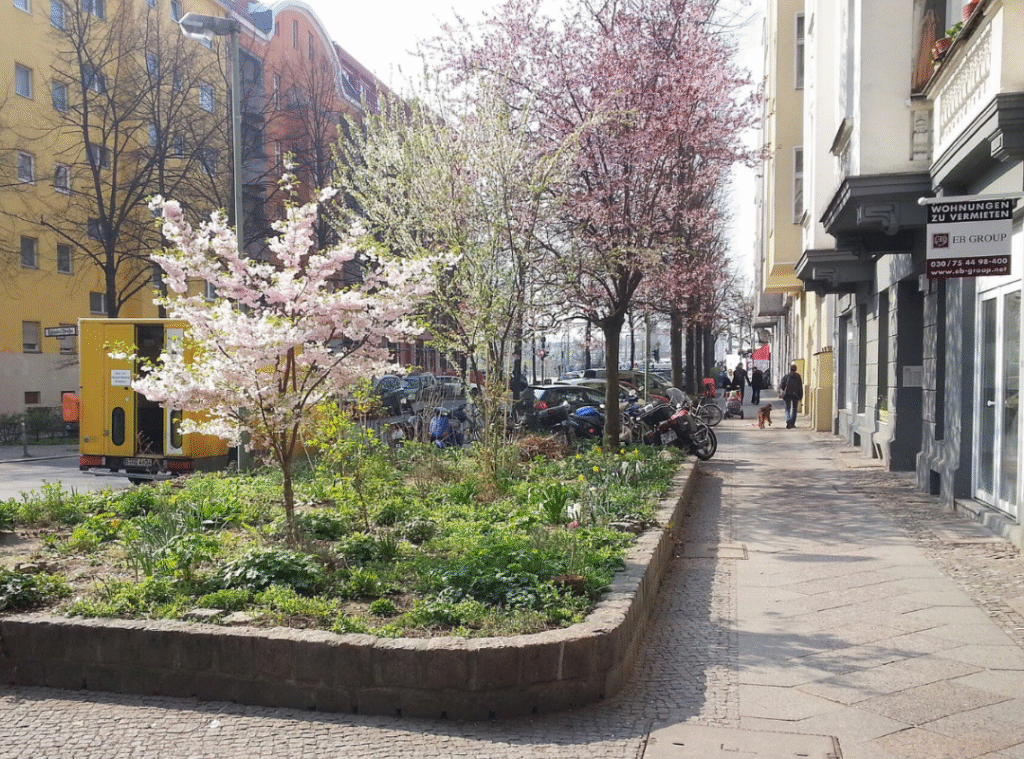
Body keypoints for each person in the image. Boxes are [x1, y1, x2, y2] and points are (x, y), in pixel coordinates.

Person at [780, 363, 803, 429]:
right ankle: (792, 423)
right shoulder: (798, 376)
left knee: (787, 408)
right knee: (794, 409)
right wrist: (800, 396)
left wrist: (785, 390)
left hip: (787, 394)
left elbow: (782, 385)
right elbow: (800, 387)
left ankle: (788, 420)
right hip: (795, 395)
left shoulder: (786, 376)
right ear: (796, 369)